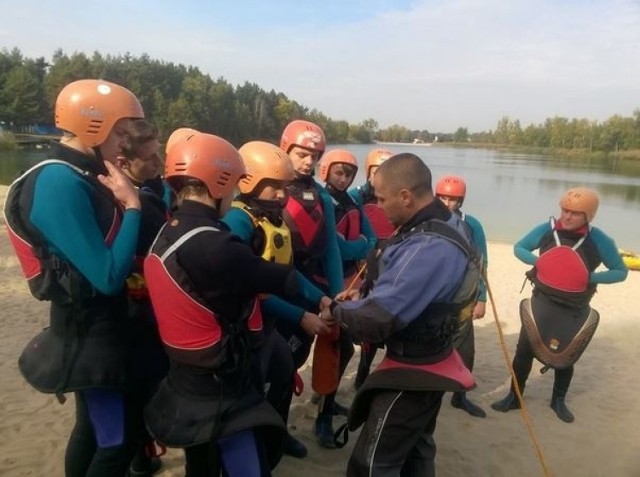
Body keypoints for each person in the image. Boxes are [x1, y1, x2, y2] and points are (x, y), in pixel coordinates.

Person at [5, 79, 145, 476]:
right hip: (86, 338)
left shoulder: (84, 173)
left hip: (99, 332)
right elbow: (106, 277)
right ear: (93, 128)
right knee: (116, 444)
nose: (127, 144)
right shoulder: (58, 182)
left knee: (93, 430)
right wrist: (132, 207)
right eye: (121, 132)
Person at [143, 132, 301, 476]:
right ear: (220, 183)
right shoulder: (217, 245)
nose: (232, 197)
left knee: (200, 465)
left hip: (184, 378)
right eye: (231, 188)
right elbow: (283, 279)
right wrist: (323, 302)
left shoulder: (167, 231)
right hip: (221, 389)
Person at [321, 153, 476, 477]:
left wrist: (337, 310)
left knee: (372, 462)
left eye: (382, 198)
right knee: (416, 446)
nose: (378, 206)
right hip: (434, 355)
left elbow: (380, 317)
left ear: (405, 196)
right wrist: (362, 290)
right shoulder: (444, 220)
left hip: (415, 369)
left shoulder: (429, 246)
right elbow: (397, 279)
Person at [222, 140, 332, 459]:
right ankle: (253, 448)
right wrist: (300, 316)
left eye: (285, 187)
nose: (283, 196)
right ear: (248, 182)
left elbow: (288, 273)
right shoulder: (239, 222)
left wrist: (321, 298)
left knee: (283, 378)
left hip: (270, 328)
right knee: (253, 395)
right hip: (247, 331)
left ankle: (277, 438)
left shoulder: (273, 219)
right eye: (274, 188)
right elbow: (249, 289)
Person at [491, 187, 628, 423]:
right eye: (564, 210)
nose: (566, 216)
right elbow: (519, 247)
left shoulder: (599, 240)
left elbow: (620, 272)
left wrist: (589, 278)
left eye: (575, 213)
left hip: (574, 308)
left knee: (566, 357)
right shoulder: (547, 229)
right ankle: (514, 397)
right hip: (541, 302)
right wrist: (541, 262)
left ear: (589, 216)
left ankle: (558, 401)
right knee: (524, 351)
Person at [278, 119, 346, 448]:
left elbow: (331, 247)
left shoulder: (320, 196)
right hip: (277, 287)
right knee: (272, 365)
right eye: (302, 153)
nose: (309, 161)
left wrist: (334, 296)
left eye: (315, 155)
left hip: (310, 289)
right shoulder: (268, 188)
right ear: (285, 149)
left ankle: (280, 427)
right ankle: (269, 428)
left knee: (294, 360)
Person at [118, 119, 171, 476]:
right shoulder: (125, 201)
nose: (159, 163)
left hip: (148, 305)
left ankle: (144, 454)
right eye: (150, 158)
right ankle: (141, 458)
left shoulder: (151, 191)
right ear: (124, 164)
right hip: (134, 311)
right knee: (140, 388)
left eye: (160, 154)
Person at [435, 175, 487, 418]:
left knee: (466, 352)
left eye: (453, 199)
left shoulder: (472, 225)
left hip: (464, 296)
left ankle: (460, 396)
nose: (447, 203)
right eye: (443, 198)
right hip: (436, 297)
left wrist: (482, 298)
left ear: (461, 201)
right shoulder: (428, 220)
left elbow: (481, 262)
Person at [349, 148, 396, 390]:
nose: (380, 177)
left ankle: (363, 377)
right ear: (368, 172)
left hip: (388, 265)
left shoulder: (394, 198)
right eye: (376, 171)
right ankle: (355, 378)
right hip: (363, 265)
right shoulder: (355, 198)